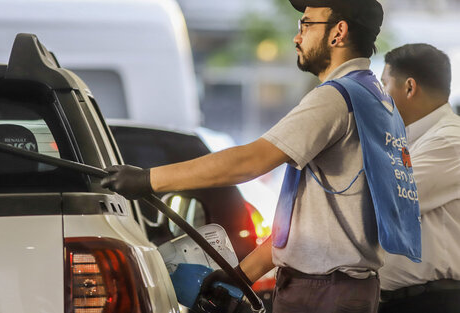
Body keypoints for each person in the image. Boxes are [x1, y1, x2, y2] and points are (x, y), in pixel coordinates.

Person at [101, 1, 420, 312]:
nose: (297, 36)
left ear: (338, 32)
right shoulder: (380, 104)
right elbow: (314, 221)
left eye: (306, 24)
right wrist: (240, 276)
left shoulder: (336, 98)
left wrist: (148, 180)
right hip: (348, 289)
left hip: (321, 294)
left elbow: (249, 161)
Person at [378, 44, 460, 313]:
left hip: (430, 301)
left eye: (384, 84)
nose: (379, 96)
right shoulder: (412, 140)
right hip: (406, 299)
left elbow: (389, 200)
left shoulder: (450, 140)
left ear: (409, 88)